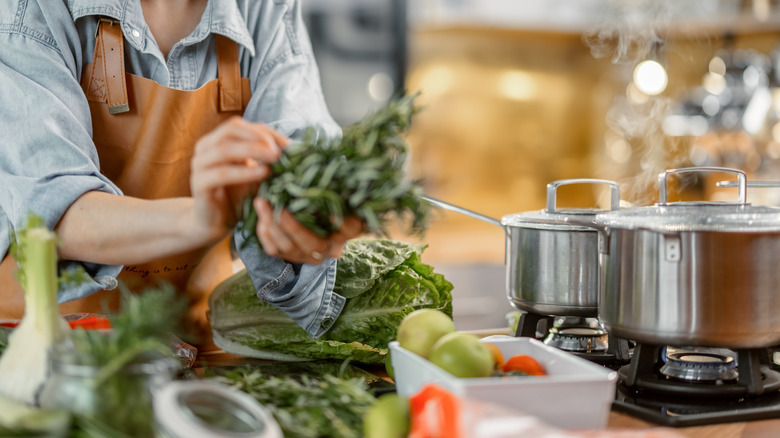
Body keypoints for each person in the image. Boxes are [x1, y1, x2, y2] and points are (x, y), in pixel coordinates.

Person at [0, 0, 363, 345]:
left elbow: (304, 161)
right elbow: (54, 214)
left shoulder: (266, 8)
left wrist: (313, 213)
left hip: (194, 346)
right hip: (50, 351)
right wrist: (199, 219)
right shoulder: (33, 8)